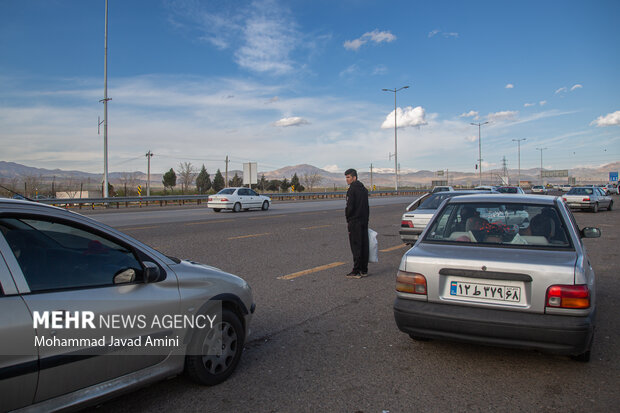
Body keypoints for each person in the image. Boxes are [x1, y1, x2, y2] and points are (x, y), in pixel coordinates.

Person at [344, 168, 369, 279]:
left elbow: (350, 207)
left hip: (355, 222)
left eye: (348, 177)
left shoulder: (352, 190)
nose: (347, 179)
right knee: (364, 245)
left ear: (354, 177)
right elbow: (366, 207)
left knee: (356, 246)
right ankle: (364, 269)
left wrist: (348, 219)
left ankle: (356, 270)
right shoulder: (363, 189)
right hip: (363, 221)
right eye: (346, 177)